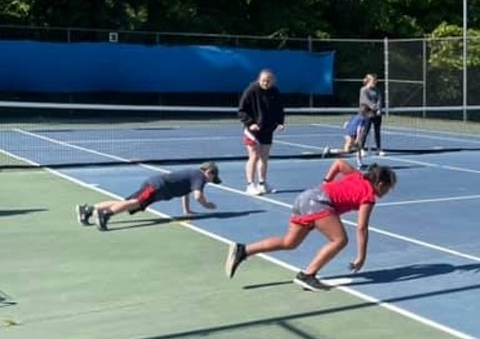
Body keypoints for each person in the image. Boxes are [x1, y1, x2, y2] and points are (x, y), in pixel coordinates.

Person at [225, 160, 397, 291]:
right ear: (380, 184)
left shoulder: (357, 175)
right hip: (319, 203)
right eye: (388, 189)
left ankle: (243, 250)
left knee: (289, 242)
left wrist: (326, 181)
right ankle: (307, 275)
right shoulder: (368, 195)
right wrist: (362, 256)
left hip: (305, 197)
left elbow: (338, 163)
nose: (387, 193)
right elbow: (362, 227)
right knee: (340, 240)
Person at [78, 162, 221, 231]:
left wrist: (187, 211)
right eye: (212, 178)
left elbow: (187, 194)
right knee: (136, 203)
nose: (210, 181)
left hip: (157, 186)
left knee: (127, 202)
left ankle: (88, 210)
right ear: (209, 172)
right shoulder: (199, 177)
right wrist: (207, 205)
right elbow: (197, 196)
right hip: (158, 187)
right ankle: (104, 215)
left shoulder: (194, 176)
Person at [238, 69, 285, 195]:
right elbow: (241, 110)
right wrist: (250, 123)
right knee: (254, 156)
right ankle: (250, 185)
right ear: (259, 79)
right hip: (252, 131)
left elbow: (279, 108)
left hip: (267, 129)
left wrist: (280, 122)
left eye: (268, 81)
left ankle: (262, 184)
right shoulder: (251, 90)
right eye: (263, 81)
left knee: (264, 158)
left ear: (273, 81)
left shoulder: (275, 91)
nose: (265, 83)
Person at [356, 73, 385, 161]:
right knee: (365, 130)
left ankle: (378, 149)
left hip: (376, 113)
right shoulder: (363, 90)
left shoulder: (377, 90)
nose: (375, 82)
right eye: (373, 81)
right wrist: (374, 107)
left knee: (377, 131)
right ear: (369, 81)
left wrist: (379, 109)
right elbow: (365, 101)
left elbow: (379, 99)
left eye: (375, 81)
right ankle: (361, 149)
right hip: (366, 112)